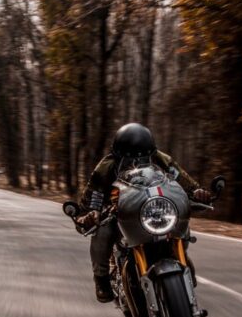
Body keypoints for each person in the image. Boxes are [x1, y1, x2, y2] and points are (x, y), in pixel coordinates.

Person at [77, 123, 210, 302]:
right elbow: (92, 196)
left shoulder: (161, 158)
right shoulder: (105, 167)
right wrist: (88, 215)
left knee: (178, 219)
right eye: (129, 161)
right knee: (103, 230)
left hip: (151, 208)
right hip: (121, 212)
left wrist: (197, 192)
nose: (137, 164)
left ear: (152, 153)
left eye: (144, 159)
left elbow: (182, 178)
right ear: (117, 157)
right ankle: (101, 278)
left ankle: (182, 257)